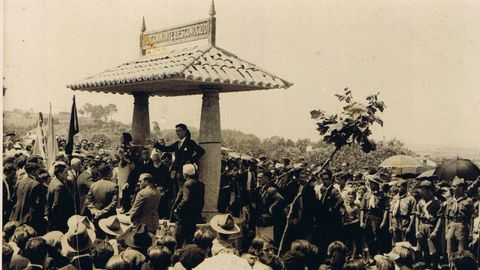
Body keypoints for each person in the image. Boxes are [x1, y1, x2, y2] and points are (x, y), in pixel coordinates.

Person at [154, 123, 205, 189]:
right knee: (174, 188)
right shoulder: (177, 143)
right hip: (175, 170)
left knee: (184, 189)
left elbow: (201, 151)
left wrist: (190, 160)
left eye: (179, 130)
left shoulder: (190, 142)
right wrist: (155, 144)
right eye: (176, 131)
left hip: (185, 170)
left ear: (185, 131)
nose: (177, 133)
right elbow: (166, 149)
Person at [171, 164, 205, 248]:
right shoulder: (200, 183)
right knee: (189, 241)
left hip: (183, 217)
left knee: (178, 242)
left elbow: (185, 200)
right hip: (192, 217)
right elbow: (201, 201)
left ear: (186, 174)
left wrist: (177, 209)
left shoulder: (188, 184)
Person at [313, 170, 344, 259]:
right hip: (322, 220)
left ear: (331, 180)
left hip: (331, 221)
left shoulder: (333, 190)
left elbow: (340, 200)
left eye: (326, 179)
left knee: (330, 238)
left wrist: (333, 209)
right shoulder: (322, 189)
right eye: (323, 179)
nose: (324, 181)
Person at [9, 162, 47, 234]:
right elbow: (39, 203)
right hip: (30, 217)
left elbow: (13, 199)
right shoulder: (36, 184)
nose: (39, 172)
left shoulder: (19, 182)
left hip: (16, 216)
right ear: (33, 171)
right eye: (38, 170)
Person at [360, 177, 390, 258]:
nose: (370, 184)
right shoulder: (366, 194)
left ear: (377, 184)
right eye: (370, 182)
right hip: (367, 217)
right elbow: (362, 209)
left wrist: (383, 221)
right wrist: (361, 221)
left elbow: (386, 209)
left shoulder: (383, 195)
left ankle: (379, 255)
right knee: (368, 237)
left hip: (377, 217)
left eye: (372, 183)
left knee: (377, 237)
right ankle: (371, 256)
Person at [415, 180, 443, 268]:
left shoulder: (437, 202)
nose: (423, 192)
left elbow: (440, 218)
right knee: (423, 249)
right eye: (422, 189)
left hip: (431, 226)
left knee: (434, 251)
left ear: (430, 190)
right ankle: (426, 266)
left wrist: (436, 231)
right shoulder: (420, 202)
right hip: (422, 226)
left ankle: (434, 266)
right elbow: (417, 217)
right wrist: (416, 230)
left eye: (425, 189)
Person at [445, 177, 475, 258]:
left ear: (461, 187)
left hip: (462, 226)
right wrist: (446, 231)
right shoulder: (450, 201)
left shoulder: (468, 201)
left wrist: (471, 233)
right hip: (451, 225)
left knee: (461, 253)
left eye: (455, 186)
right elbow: (447, 217)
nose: (452, 188)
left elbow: (472, 218)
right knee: (450, 251)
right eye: (452, 186)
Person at [46, 162, 76, 233]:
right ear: (59, 174)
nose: (68, 174)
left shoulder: (54, 181)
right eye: (65, 172)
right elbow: (56, 205)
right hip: (60, 220)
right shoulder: (59, 186)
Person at [389, 179, 417, 245]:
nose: (398, 188)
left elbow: (413, 214)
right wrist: (390, 225)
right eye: (397, 186)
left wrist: (410, 227)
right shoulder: (395, 198)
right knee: (395, 243)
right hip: (395, 221)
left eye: (399, 186)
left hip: (405, 222)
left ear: (405, 187)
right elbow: (391, 211)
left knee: (404, 243)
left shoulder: (411, 199)